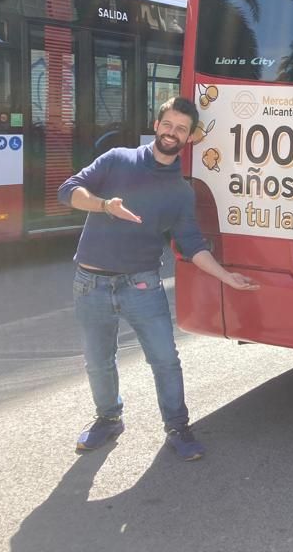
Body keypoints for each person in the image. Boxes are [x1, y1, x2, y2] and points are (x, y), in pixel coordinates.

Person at [58, 96, 259, 461]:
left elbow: (193, 244)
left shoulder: (180, 191)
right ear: (157, 124)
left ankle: (178, 428)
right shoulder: (117, 159)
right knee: (97, 361)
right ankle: (108, 419)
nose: (172, 132)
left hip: (141, 284)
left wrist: (226, 277)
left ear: (188, 137)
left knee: (165, 360)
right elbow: (69, 190)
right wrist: (104, 205)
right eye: (168, 124)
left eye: (181, 128)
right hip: (91, 282)